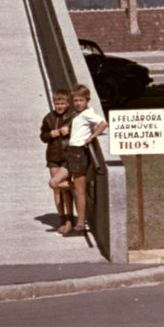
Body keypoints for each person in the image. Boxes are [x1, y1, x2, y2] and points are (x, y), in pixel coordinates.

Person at [63, 82, 108, 236]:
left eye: (81, 100)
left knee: (79, 193)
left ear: (87, 100)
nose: (78, 103)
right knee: (55, 182)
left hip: (79, 152)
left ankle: (80, 226)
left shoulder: (88, 113)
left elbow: (103, 123)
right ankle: (86, 187)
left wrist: (91, 137)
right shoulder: (77, 113)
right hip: (72, 151)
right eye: (75, 100)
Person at [40, 87, 75, 232]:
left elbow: (81, 132)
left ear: (68, 103)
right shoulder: (49, 118)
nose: (60, 106)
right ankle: (61, 220)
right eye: (57, 104)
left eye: (62, 103)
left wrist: (70, 131)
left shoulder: (73, 117)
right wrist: (51, 134)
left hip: (67, 156)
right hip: (53, 156)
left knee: (65, 189)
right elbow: (43, 136)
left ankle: (69, 220)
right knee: (56, 189)